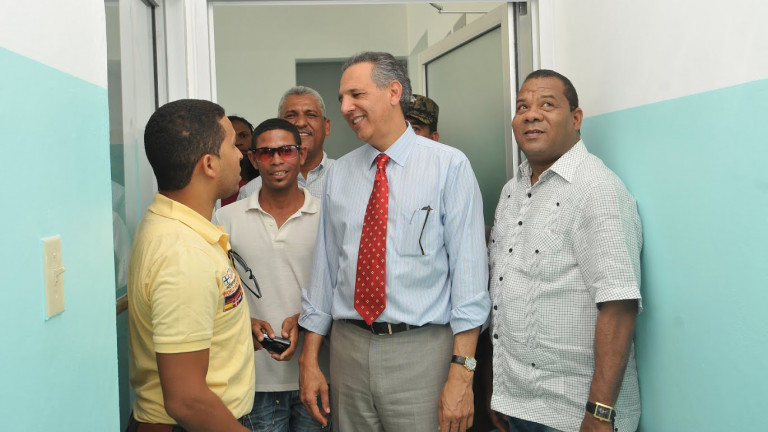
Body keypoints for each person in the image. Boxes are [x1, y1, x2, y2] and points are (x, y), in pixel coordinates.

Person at [298, 51, 490, 432]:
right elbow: (324, 273)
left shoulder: (449, 167)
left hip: (422, 351)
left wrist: (462, 374)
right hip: (348, 350)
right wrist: (309, 360)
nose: (345, 108)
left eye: (356, 95)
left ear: (393, 92)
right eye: (341, 99)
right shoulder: (340, 174)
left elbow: (470, 286)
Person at [488, 70, 642, 432]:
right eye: (522, 107)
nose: (531, 114)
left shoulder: (597, 189)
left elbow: (619, 306)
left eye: (547, 104)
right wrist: (501, 392)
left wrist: (599, 413)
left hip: (574, 415)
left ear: (576, 118)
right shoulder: (512, 190)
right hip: (518, 403)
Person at [126, 99, 257, 432]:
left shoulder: (169, 223)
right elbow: (187, 400)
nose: (241, 155)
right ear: (209, 164)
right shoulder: (183, 254)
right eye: (233, 145)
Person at [216, 118, 329, 432]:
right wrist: (244, 321)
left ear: (301, 154)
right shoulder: (225, 219)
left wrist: (306, 319)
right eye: (266, 153)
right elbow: (216, 292)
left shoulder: (327, 215)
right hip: (254, 380)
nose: (277, 160)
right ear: (253, 159)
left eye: (286, 151)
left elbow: (341, 289)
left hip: (316, 374)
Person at [238, 86, 334, 200]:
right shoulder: (250, 192)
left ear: (326, 126)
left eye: (311, 115)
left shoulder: (346, 177)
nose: (301, 123)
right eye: (291, 116)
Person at [221, 115, 259, 207]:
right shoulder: (217, 185)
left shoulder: (264, 179)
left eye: (243, 135)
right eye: (230, 137)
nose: (238, 142)